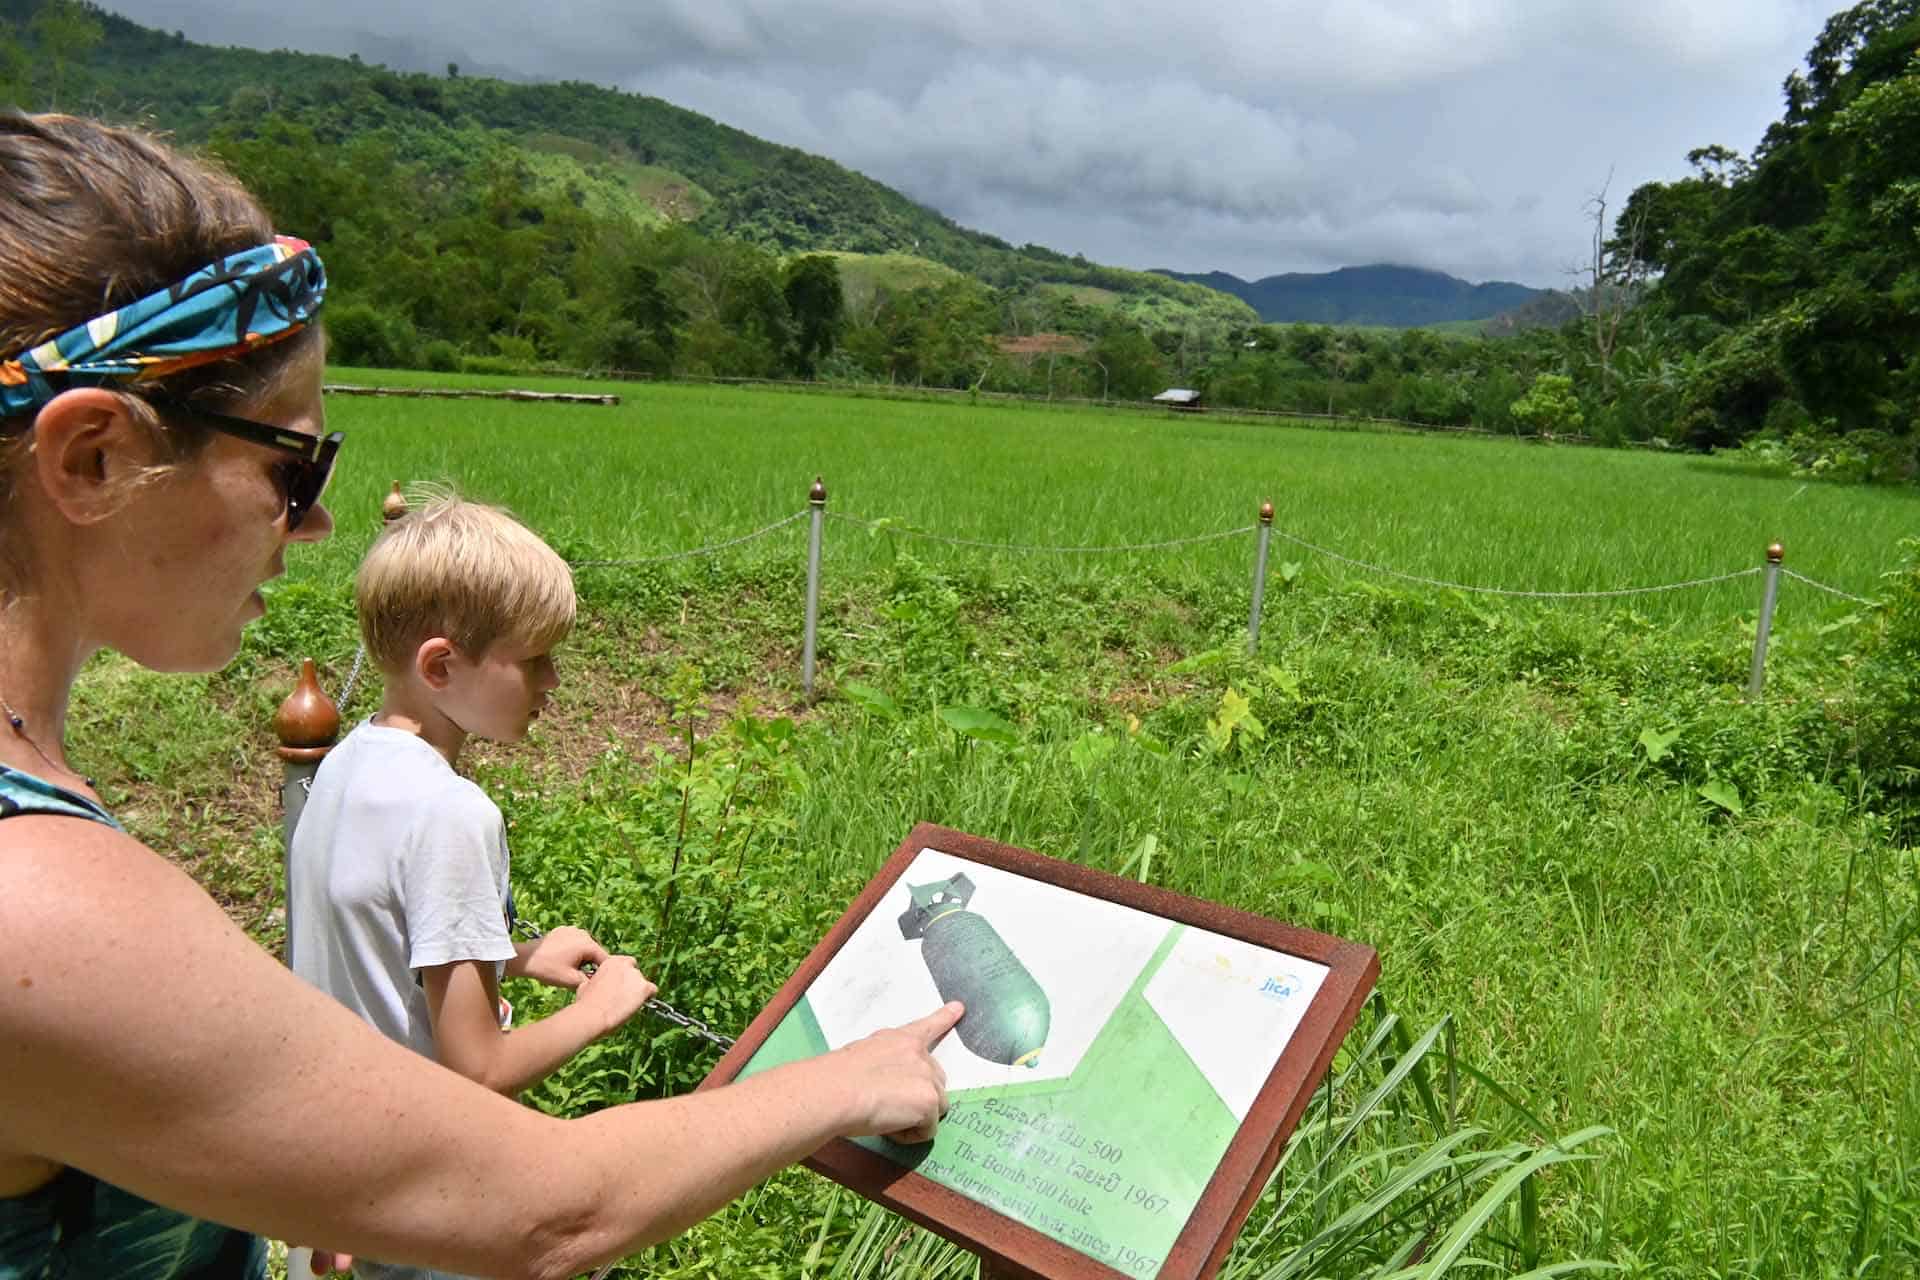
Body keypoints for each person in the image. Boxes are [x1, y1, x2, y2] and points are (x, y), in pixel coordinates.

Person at [0, 111, 959, 1280]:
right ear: (91, 456)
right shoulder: (32, 897)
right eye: (291, 465)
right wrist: (847, 1073)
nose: (315, 521)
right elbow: (546, 1214)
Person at [288, 494, 660, 1280]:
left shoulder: (345, 766)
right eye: (534, 658)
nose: (554, 681)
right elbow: (476, 1069)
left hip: (348, 1184)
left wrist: (515, 956)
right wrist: (600, 1009)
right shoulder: (452, 813)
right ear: (441, 666)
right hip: (437, 1213)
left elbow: (373, 949)